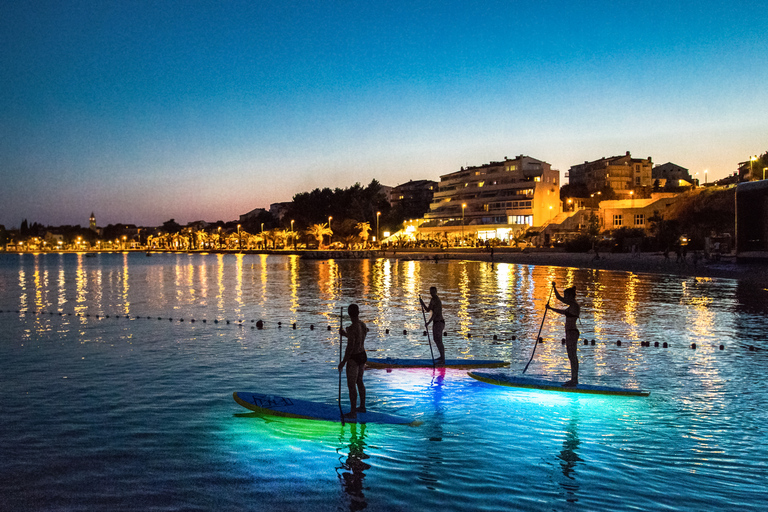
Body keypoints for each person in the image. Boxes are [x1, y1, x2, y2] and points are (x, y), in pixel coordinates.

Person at [546, 283, 581, 387]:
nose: (565, 298)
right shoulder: (571, 307)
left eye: (566, 296)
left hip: (572, 332)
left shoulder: (574, 305)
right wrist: (551, 308)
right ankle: (573, 379)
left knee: (573, 356)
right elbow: (562, 311)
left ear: (570, 296)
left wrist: (554, 288)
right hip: (569, 332)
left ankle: (574, 380)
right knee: (571, 356)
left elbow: (559, 298)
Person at [338, 304, 369, 419]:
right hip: (362, 355)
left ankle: (353, 412)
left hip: (354, 358)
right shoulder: (363, 325)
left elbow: (350, 347)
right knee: (359, 381)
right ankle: (362, 406)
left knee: (351, 385)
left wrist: (343, 362)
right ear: (358, 312)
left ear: (349, 314)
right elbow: (357, 339)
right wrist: (345, 335)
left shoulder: (351, 328)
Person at [420, 286, 446, 364]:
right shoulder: (432, 300)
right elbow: (428, 310)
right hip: (435, 322)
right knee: (435, 339)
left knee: (439, 340)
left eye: (433, 292)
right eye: (431, 292)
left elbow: (435, 314)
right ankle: (441, 357)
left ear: (436, 292)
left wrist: (428, 323)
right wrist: (422, 303)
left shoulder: (437, 301)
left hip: (439, 322)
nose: (432, 294)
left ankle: (443, 359)